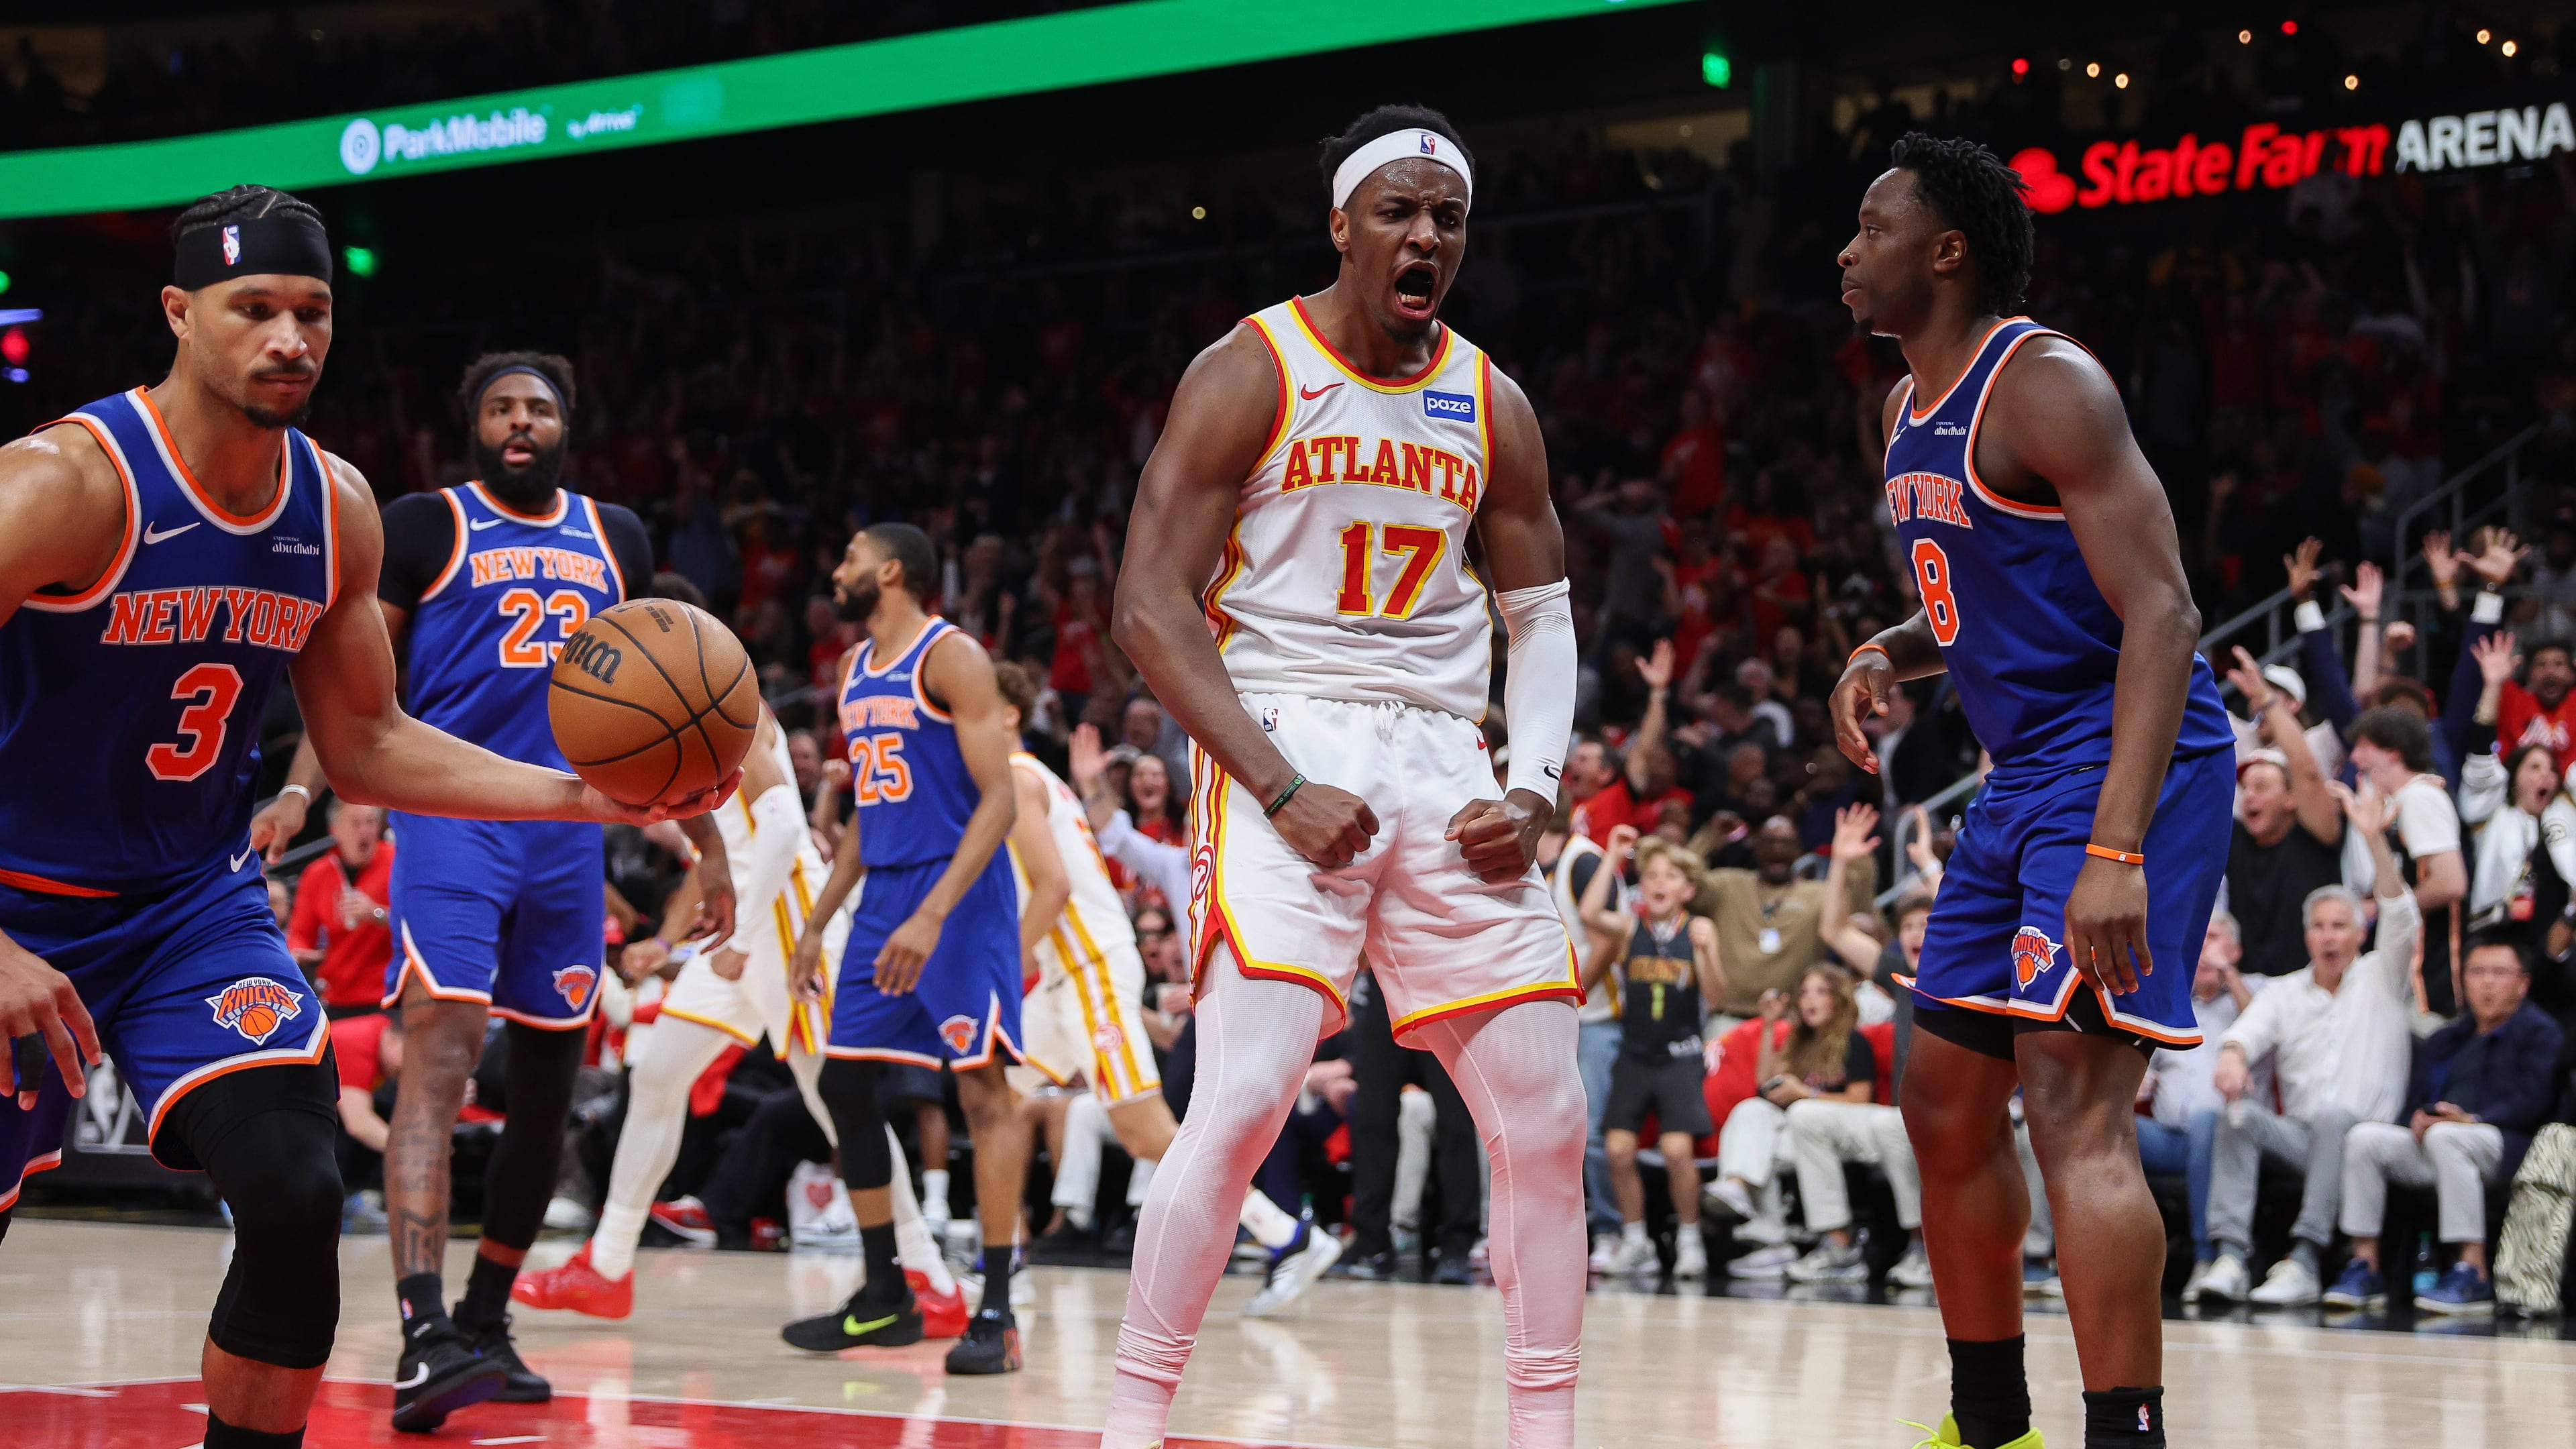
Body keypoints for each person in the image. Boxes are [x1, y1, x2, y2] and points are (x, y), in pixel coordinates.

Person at [0, 185, 720, 1449]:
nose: (291, 337)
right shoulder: (65, 482)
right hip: (14, 903)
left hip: (184, 908)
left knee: (290, 1188)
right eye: (255, 308)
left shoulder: (332, 507)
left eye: (314, 311)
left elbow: (368, 743)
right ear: (179, 313)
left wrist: (594, 795)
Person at [1104, 105, 1588, 1448]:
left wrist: (1537, 792)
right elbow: (1149, 604)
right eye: (1399, 211)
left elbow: (1541, 616)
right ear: (1343, 223)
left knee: (1549, 1117)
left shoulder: (1493, 399)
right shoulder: (1252, 366)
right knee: (1248, 1091)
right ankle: (1133, 1421)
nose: (1425, 236)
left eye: (1447, 217)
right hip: (1283, 732)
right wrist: (1271, 783)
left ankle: (1543, 1429)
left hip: (1447, 756)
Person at [1831, 136, 2240, 1449]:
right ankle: (1988, 1423)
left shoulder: (2048, 381)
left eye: (1873, 228)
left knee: (2074, 1107)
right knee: (1940, 1094)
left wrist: (2117, 848)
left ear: (1946, 252)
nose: (1849, 250)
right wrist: (1887, 650)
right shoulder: (1902, 412)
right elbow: (1989, 582)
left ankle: (2125, 1435)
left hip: (2132, 760)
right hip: (2021, 775)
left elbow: (2165, 614)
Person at [257, 349, 737, 1431]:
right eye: (501, 409)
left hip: (569, 834)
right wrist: (303, 788)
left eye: (539, 409)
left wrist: (708, 848)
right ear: (473, 426)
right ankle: (424, 1335)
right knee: (443, 1051)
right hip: (452, 822)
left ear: (568, 425)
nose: (520, 424)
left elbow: (668, 705)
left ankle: (486, 1320)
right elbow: (351, 685)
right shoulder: (424, 525)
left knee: (551, 1085)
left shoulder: (619, 537)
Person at [511, 680, 965, 1336]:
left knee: (839, 1102)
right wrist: (671, 939)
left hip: (781, 920)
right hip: (741, 922)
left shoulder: (730, 705)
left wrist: (746, 939)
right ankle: (608, 1266)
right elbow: (716, 855)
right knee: (659, 1076)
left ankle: (927, 1273)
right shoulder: (685, 724)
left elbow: (783, 824)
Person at [782, 521, 1030, 1375]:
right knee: (846, 1080)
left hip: (957, 898)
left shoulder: (951, 655)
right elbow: (867, 817)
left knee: (982, 1093)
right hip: (885, 890)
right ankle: (886, 1293)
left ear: (889, 572)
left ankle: (996, 1310)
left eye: (848, 557)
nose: (837, 568)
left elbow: (999, 800)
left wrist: (931, 916)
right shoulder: (853, 671)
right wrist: (818, 923)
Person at [1059, 720, 1328, 1306]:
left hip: (1258, 1005)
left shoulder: (1264, 866)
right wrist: (1093, 785)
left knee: (1236, 1118)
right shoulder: (1183, 866)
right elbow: (1118, 836)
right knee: (1201, 1118)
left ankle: (1283, 1230)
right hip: (1205, 1017)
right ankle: (1278, 1232)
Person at [2194, 784, 2418, 1307]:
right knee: (2239, 1116)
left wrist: (2372, 839)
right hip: (2300, 1139)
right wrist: (2232, 1055)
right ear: (2307, 936)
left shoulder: (2382, 977)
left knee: (2334, 1119)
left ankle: (2306, 1259)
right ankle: (2229, 1256)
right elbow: (2247, 1030)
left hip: (2365, 1135)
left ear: (2360, 933)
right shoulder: (2287, 991)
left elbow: (2403, 916)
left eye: (2340, 926)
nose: (2329, 937)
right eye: (2318, 928)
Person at [2326, 935, 2565, 1314]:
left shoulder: (2541, 1033)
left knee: (2449, 1137)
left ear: (2523, 983)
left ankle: (2473, 1270)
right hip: (2441, 1143)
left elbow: (2533, 1103)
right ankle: (2365, 1267)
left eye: (2499, 973)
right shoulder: (2447, 1038)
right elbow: (2411, 1103)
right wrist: (2417, 1119)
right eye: (2477, 972)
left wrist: (2471, 1120)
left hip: (2508, 1146)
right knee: (2364, 1139)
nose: (2487, 983)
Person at [1576, 826, 1721, 1279]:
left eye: (1671, 876)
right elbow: (1589, 910)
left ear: (1689, 889)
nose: (1660, 883)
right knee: (1617, 1150)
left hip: (1680, 1055)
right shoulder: (1630, 928)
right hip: (1635, 1054)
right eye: (1652, 874)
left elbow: (1716, 997)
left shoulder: (1698, 930)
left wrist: (1707, 951)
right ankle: (1636, 1240)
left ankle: (1690, 1239)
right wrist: (1614, 855)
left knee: (1677, 1151)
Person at [2133, 914, 2254, 1300]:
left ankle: (2205, 1258)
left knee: (2206, 1121)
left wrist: (2229, 973)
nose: (2204, 950)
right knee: (2105, 1124)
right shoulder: (2172, 1004)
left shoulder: (2256, 997)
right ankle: (2075, 1258)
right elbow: (2142, 1073)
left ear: (2234, 950)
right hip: (2168, 1139)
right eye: (2197, 940)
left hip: (2228, 1137)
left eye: (2214, 939)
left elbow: (2264, 1026)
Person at [2219, 648, 2345, 977]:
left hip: (2312, 988)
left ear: (2291, 798)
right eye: (2246, 789)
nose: (2250, 797)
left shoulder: (2315, 834)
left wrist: (2265, 698)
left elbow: (2306, 771)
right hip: (2250, 991)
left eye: (2262, 786)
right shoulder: (2234, 839)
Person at [2341, 706, 2468, 1017]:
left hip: (2431, 978)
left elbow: (2451, 882)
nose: (2355, 758)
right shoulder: (2401, 802)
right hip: (2412, 973)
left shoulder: (2420, 798)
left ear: (2393, 753)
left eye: (2364, 747)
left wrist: (2387, 908)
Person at [284, 798, 395, 1013]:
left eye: (371, 823)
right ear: (335, 830)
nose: (365, 831)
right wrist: (298, 951)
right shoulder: (317, 874)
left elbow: (419, 924)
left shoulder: (396, 862)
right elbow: (300, 933)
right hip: (336, 994)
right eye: (356, 824)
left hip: (388, 993)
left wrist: (376, 912)